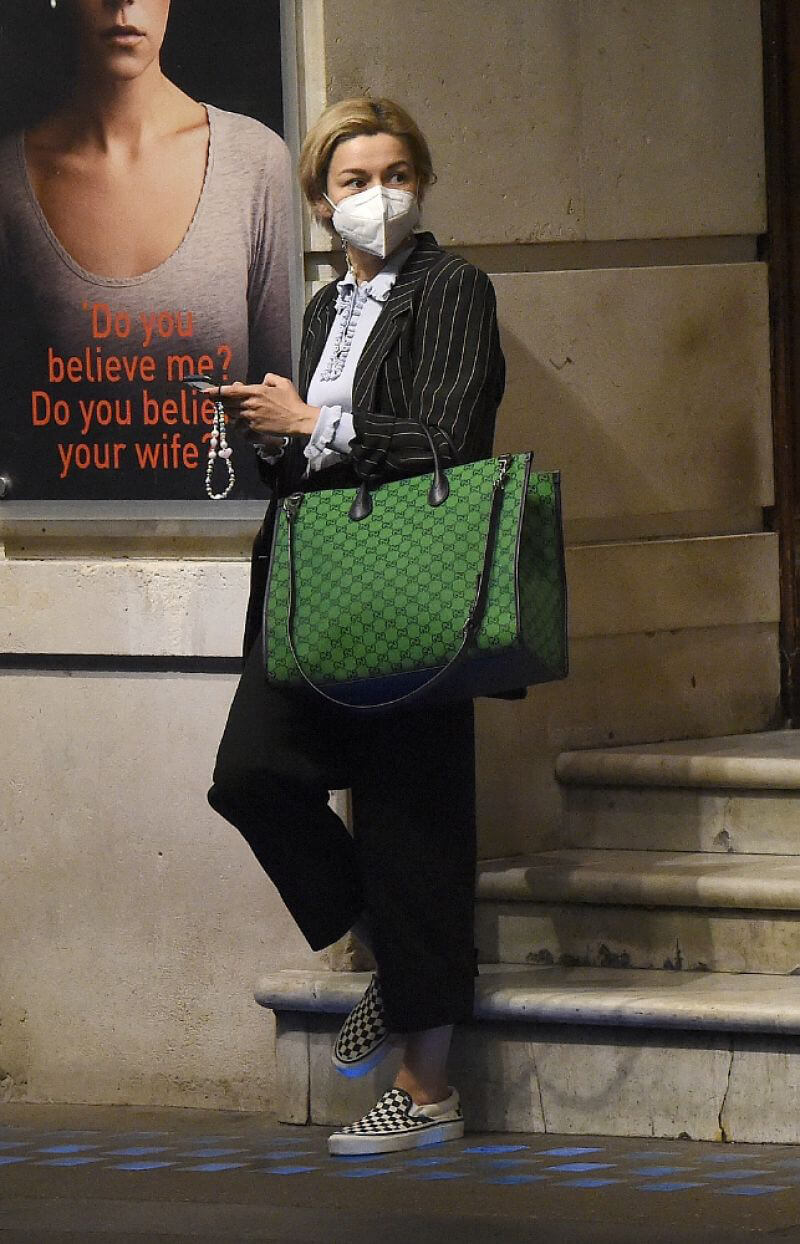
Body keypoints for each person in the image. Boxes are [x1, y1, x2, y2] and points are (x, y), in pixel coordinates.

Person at [207, 97, 505, 1157]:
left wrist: (317, 422)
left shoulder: (452, 287)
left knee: (411, 824)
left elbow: (446, 435)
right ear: (320, 202)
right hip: (320, 586)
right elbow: (315, 459)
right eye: (351, 180)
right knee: (251, 773)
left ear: (418, 180)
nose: (374, 196)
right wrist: (275, 429)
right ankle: (384, 954)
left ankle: (427, 1092)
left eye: (392, 174)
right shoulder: (328, 309)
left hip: (414, 586)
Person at [0, 0, 291, 499]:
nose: (123, 3)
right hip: (53, 551)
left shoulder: (254, 163)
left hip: (226, 545)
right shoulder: (9, 180)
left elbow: (285, 406)